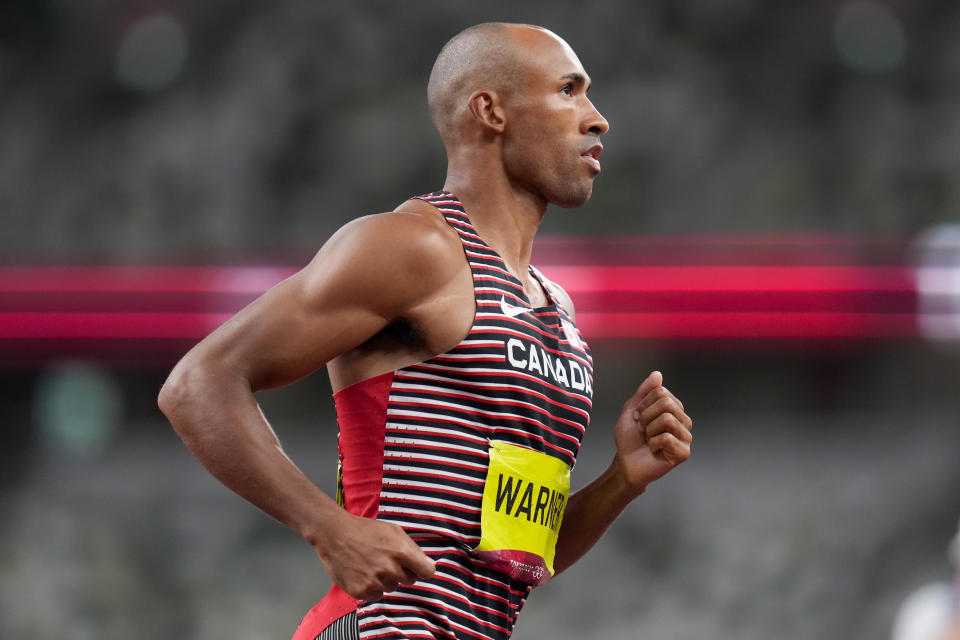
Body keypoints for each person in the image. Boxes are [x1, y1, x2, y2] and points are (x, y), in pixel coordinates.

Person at [158, 22, 693, 640]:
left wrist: (621, 481)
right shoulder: (413, 248)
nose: (598, 119)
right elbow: (198, 383)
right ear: (490, 110)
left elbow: (509, 561)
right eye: (569, 91)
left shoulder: (557, 311)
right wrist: (327, 528)